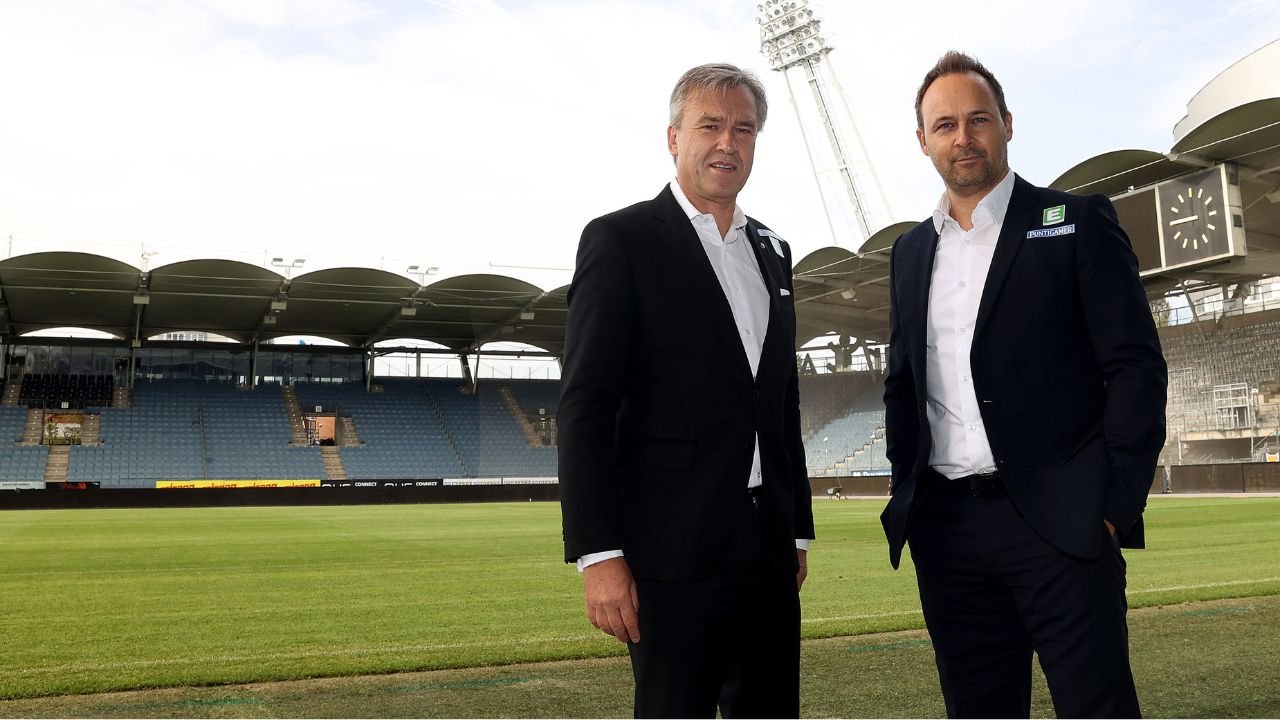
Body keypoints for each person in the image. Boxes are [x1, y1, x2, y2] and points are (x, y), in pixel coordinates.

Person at [880, 51, 1167, 718]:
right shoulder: (911, 252)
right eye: (945, 124)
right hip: (948, 532)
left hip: (1062, 526)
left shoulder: (1075, 220)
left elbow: (1135, 366)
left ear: (1007, 124)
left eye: (978, 118)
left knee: (1096, 706)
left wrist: (1114, 505)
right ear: (922, 140)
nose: (963, 136)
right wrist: (910, 496)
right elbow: (903, 385)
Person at [558, 62, 815, 718]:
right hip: (668, 551)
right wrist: (598, 552)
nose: (728, 142)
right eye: (710, 126)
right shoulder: (621, 240)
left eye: (744, 129)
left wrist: (797, 533)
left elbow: (780, 401)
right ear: (674, 138)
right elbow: (586, 404)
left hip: (766, 548)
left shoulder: (773, 250)